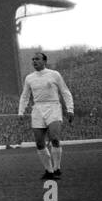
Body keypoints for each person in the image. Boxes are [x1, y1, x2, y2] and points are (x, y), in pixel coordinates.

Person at [18, 52, 75, 180]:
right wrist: (20, 112)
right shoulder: (29, 78)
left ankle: (57, 168)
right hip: (38, 109)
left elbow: (65, 92)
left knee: (54, 138)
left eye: (37, 59)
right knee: (39, 143)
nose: (34, 61)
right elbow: (25, 96)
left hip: (53, 107)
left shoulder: (54, 75)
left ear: (44, 61)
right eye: (33, 59)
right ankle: (49, 170)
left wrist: (70, 109)